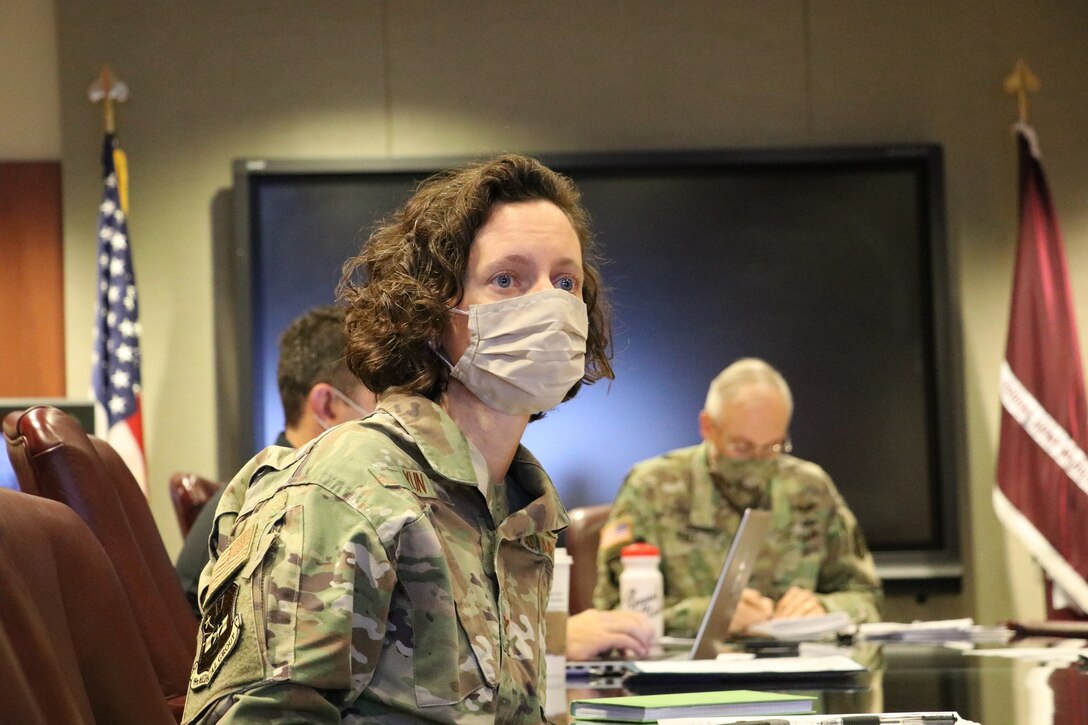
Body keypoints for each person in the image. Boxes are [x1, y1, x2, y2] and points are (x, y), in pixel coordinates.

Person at [182, 154, 614, 724]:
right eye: (507, 280)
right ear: (432, 310)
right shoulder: (343, 488)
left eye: (566, 282)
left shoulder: (520, 504)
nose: (549, 304)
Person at [593, 358, 882, 637]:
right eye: (742, 447)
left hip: (796, 676)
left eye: (772, 447)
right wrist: (708, 615)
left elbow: (865, 596)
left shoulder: (809, 488)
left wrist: (822, 607)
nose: (757, 463)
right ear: (708, 427)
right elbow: (612, 611)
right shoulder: (652, 487)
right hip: (687, 679)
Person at [174, 305, 376, 615]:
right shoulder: (286, 511)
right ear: (326, 405)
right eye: (377, 401)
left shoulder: (272, 489)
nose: (384, 421)